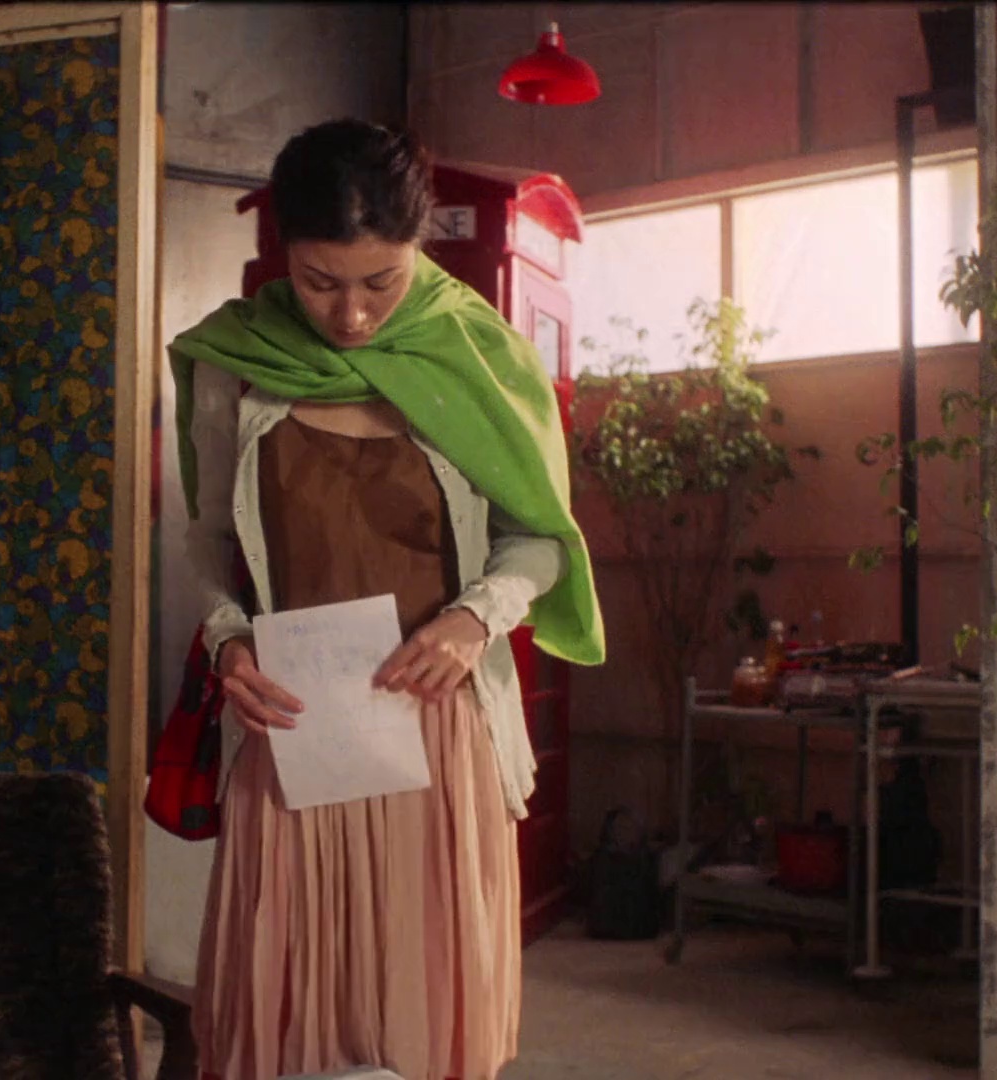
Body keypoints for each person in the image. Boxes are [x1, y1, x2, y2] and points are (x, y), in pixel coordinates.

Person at [168, 118, 606, 1080]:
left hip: (436, 728)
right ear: (285, 252)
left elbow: (542, 538)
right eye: (321, 282)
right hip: (294, 724)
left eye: (382, 281)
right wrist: (230, 640)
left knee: (424, 1015)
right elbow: (204, 540)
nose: (354, 315)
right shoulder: (234, 357)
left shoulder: (477, 353)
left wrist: (474, 618)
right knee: (285, 1018)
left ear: (419, 246)